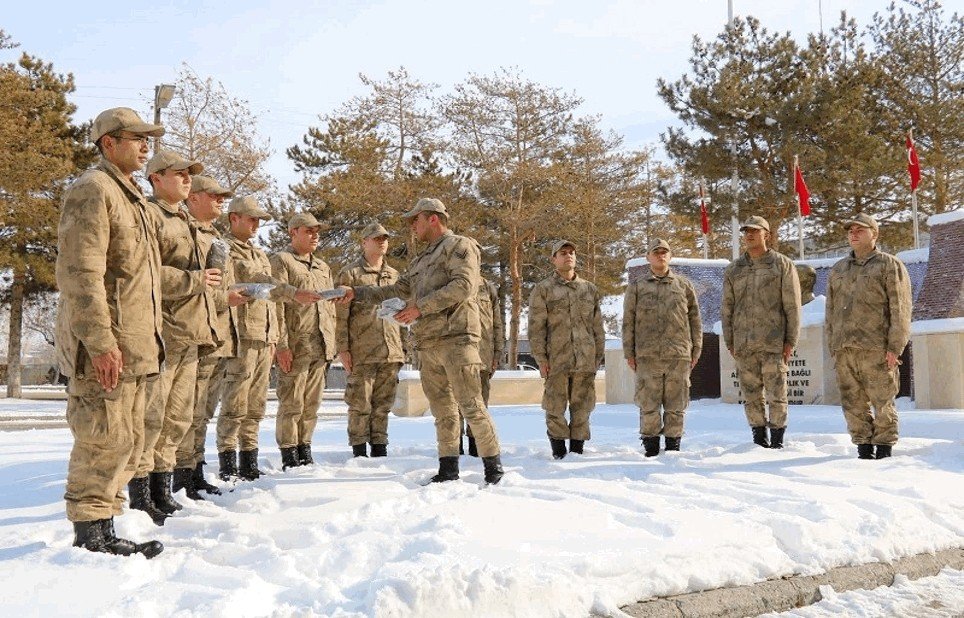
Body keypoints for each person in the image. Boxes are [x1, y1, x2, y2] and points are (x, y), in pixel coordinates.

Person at [55, 107, 165, 557]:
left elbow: (141, 278)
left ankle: (105, 526)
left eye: (147, 138)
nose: (145, 146)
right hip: (108, 345)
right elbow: (81, 273)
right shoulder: (93, 190)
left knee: (127, 441)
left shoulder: (132, 197)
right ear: (108, 143)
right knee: (103, 438)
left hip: (136, 345)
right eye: (136, 137)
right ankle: (89, 535)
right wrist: (100, 343)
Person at [332, 198, 504, 484]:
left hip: (457, 340)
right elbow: (396, 290)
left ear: (433, 219)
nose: (413, 226)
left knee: (471, 405)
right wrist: (355, 292)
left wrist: (420, 308)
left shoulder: (460, 246)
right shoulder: (420, 261)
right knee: (443, 411)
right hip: (428, 344)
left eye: (416, 220)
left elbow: (463, 286)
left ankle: (493, 469)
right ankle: (448, 468)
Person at [128, 150, 218, 522]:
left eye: (189, 174)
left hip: (190, 333)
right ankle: (141, 495)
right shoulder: (151, 216)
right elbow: (143, 271)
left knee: (177, 419)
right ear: (155, 178)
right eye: (178, 173)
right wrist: (195, 281)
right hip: (163, 334)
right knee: (152, 418)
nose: (187, 179)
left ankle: (162, 491)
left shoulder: (186, 220)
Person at [215, 197, 321, 481]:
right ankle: (228, 464)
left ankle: (249, 460)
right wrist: (294, 293)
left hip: (263, 337)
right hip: (241, 336)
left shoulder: (259, 255)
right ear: (233, 218)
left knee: (255, 405)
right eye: (251, 219)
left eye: (258, 221)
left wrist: (275, 335)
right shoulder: (223, 250)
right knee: (235, 404)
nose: (256, 225)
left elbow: (271, 293)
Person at [171, 175, 248, 498]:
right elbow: (195, 288)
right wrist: (224, 299)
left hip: (215, 336)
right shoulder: (185, 231)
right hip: (190, 332)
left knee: (201, 410)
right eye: (213, 195)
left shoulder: (214, 237)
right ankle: (179, 477)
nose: (220, 200)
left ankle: (194, 471)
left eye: (222, 196)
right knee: (184, 412)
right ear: (194, 199)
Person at [825, 213, 912, 460]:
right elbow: (830, 310)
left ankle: (884, 450)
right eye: (851, 230)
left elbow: (900, 309)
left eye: (860, 230)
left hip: (876, 348)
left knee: (882, 401)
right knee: (852, 403)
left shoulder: (889, 265)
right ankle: (862, 447)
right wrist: (833, 344)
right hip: (845, 349)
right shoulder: (838, 269)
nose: (853, 233)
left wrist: (895, 347)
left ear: (874, 234)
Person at [721, 215, 801, 449]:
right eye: (746, 231)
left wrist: (790, 340)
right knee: (751, 395)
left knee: (777, 394)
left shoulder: (781, 264)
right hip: (744, 344)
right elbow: (727, 307)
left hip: (773, 343)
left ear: (767, 234)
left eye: (755, 231)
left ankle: (777, 440)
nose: (749, 235)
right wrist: (730, 340)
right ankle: (758, 440)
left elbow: (792, 306)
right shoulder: (734, 269)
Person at [622, 239, 702, 457]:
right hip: (647, 357)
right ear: (648, 257)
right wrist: (629, 353)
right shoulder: (637, 286)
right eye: (656, 252)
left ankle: (673, 449)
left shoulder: (684, 286)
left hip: (678, 356)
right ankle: (651, 450)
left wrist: (696, 350)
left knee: (676, 406)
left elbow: (695, 320)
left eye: (664, 252)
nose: (660, 255)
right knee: (649, 405)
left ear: (670, 256)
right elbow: (628, 321)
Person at [270, 213, 337, 469]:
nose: (315, 235)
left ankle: (304, 448)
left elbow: (328, 308)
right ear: (293, 232)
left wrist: (333, 342)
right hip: (296, 345)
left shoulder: (322, 267)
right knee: (292, 402)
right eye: (308, 231)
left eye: (317, 231)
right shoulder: (282, 261)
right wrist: (281, 345)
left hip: (320, 344)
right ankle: (289, 452)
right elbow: (276, 304)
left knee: (312, 403)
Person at [527, 240, 605, 460]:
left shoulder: (589, 289)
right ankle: (559, 453)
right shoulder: (543, 289)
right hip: (556, 360)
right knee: (555, 407)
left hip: (585, 360)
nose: (568, 256)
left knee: (582, 408)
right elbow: (536, 327)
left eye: (572, 253)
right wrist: (541, 358)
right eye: (563, 253)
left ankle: (577, 453)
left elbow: (597, 327)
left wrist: (597, 356)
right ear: (554, 259)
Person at [335, 222, 405, 458]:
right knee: (360, 404)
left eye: (385, 238)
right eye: (376, 238)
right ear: (364, 242)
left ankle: (379, 447)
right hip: (362, 350)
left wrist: (403, 347)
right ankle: (359, 450)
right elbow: (340, 314)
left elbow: (402, 314)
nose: (382, 242)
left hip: (391, 350)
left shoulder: (395, 275)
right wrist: (343, 348)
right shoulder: (351, 274)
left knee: (383, 405)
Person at [460, 277, 504, 457]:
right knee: (454, 405)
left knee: (479, 405)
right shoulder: (447, 280)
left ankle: (475, 449)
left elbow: (497, 323)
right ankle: (453, 450)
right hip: (456, 356)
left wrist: (497, 353)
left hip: (482, 357)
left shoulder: (487, 287)